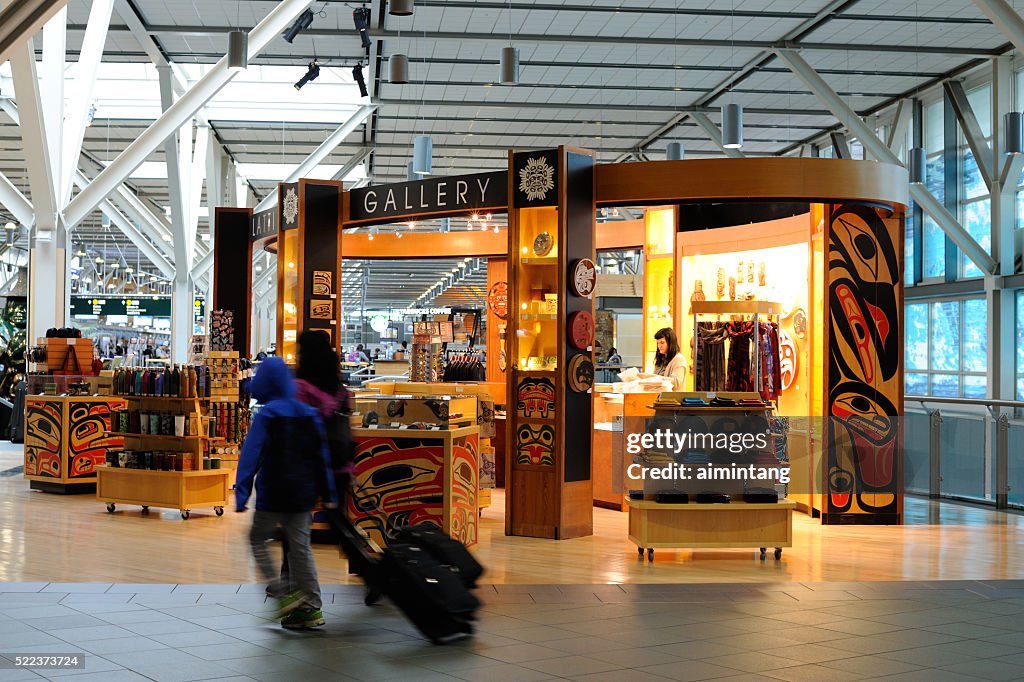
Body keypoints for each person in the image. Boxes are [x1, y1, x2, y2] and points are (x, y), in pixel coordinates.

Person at [235, 356, 335, 630]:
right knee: (300, 548)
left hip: (273, 492)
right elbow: (321, 456)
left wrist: (242, 493)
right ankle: (312, 607)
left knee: (257, 539)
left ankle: (281, 594)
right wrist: (328, 492)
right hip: (303, 493)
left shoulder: (267, 415)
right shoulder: (309, 413)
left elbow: (250, 456)